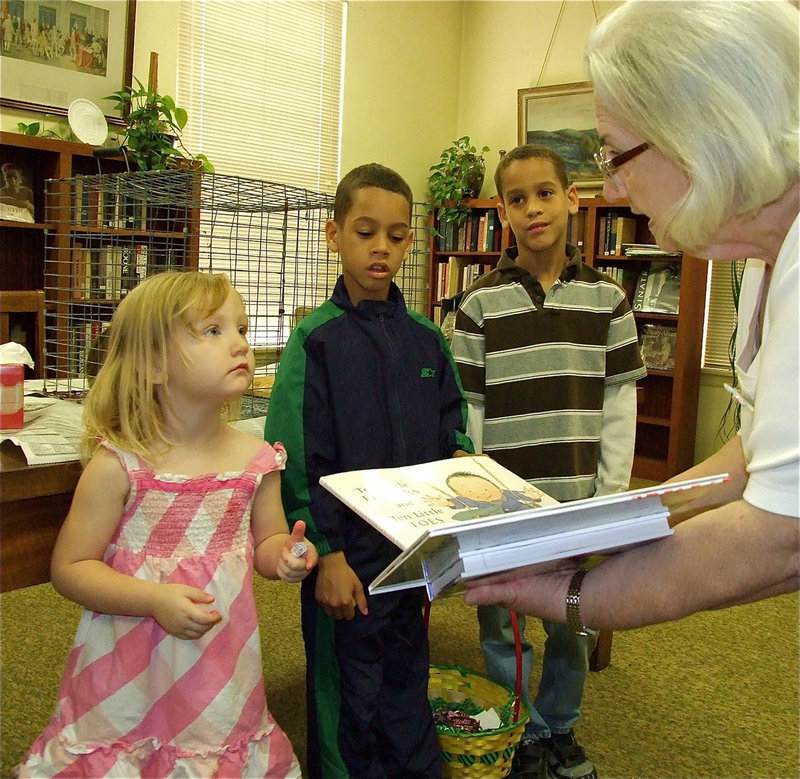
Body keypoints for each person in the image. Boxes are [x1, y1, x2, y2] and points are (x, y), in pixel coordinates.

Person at [464, 0, 799, 667]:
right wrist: (601, 524)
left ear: (702, 132)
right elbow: (756, 455)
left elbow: (779, 536)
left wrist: (569, 592)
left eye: (617, 155)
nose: (613, 182)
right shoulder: (767, 262)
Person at [16, 271, 317, 778]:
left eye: (241, 329)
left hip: (218, 661)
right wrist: (154, 600)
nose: (241, 343)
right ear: (154, 364)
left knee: (210, 743)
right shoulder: (119, 465)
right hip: (125, 665)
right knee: (124, 747)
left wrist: (288, 557)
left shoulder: (257, 460)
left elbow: (267, 541)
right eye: (213, 330)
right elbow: (70, 568)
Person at [265, 163, 474, 779]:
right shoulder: (316, 341)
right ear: (334, 235)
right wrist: (326, 552)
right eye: (365, 232)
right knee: (347, 702)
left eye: (398, 234)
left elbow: (453, 426)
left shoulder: (427, 341)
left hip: (411, 555)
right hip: (345, 561)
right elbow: (295, 455)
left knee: (407, 684)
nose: (382, 247)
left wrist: (461, 464)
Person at [452, 144, 645, 779]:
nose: (532, 208)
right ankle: (522, 731)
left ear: (571, 199)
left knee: (572, 620)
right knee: (502, 621)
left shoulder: (608, 299)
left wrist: (609, 495)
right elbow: (470, 409)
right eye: (516, 198)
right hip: (502, 505)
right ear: (502, 211)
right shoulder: (478, 304)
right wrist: (477, 498)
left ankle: (558, 727)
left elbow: (619, 402)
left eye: (544, 193)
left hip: (578, 500)